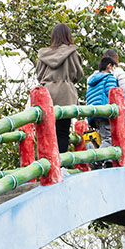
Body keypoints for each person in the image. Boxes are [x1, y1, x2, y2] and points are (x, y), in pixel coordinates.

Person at [35, 23, 84, 153]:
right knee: (62, 132)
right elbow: (78, 75)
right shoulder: (72, 53)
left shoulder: (43, 55)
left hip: (47, 94)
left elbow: (39, 75)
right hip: (65, 94)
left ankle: (47, 163)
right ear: (68, 36)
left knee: (47, 132)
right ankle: (60, 165)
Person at [85, 55, 119, 166]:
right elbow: (112, 93)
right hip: (104, 111)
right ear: (109, 66)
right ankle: (96, 159)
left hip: (93, 113)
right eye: (113, 67)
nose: (114, 70)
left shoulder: (92, 81)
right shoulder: (109, 77)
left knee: (105, 138)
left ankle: (107, 161)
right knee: (109, 139)